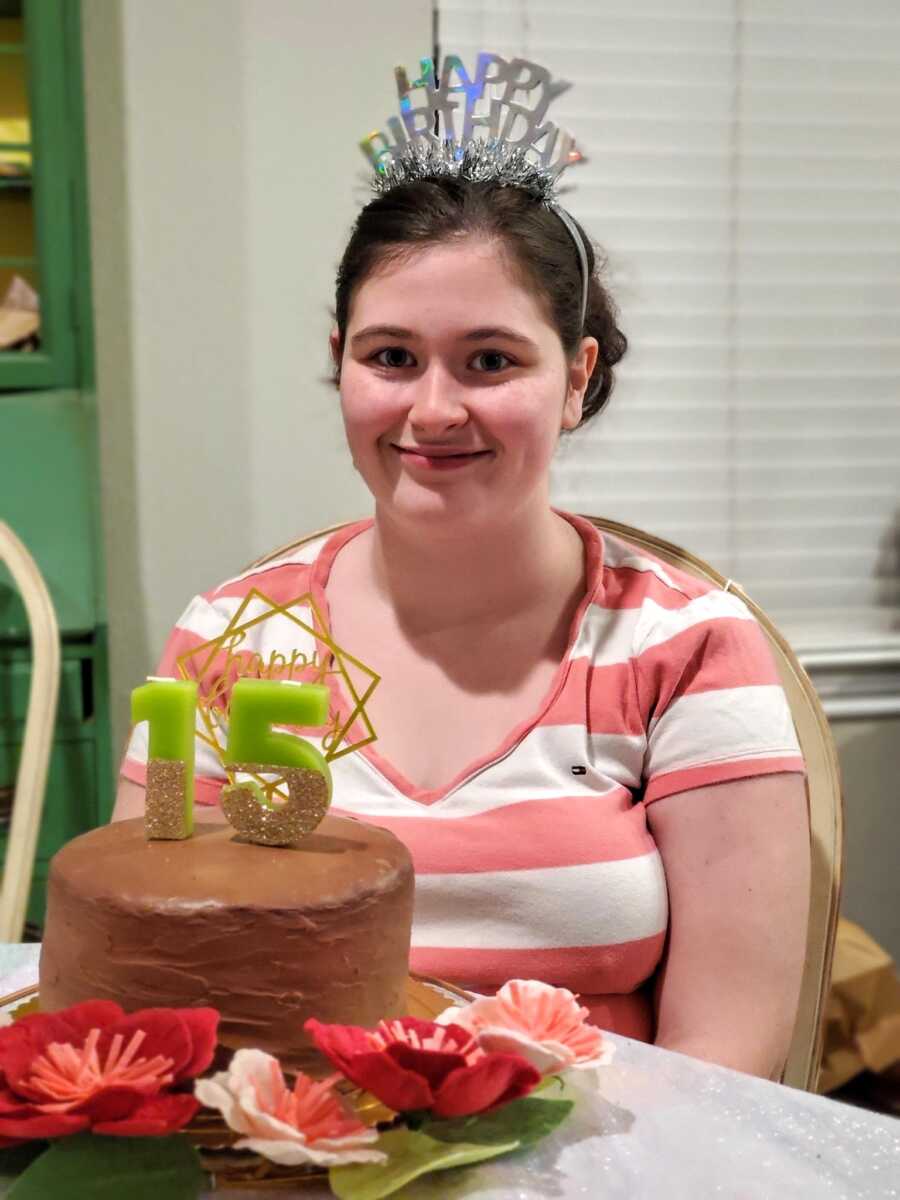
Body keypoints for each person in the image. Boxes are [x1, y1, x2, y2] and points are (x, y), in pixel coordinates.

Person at [113, 121, 810, 1083]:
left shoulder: (686, 649)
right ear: (341, 361)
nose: (433, 411)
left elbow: (729, 1054)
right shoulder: (228, 638)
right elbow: (150, 974)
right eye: (392, 357)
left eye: (490, 361)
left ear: (577, 377)